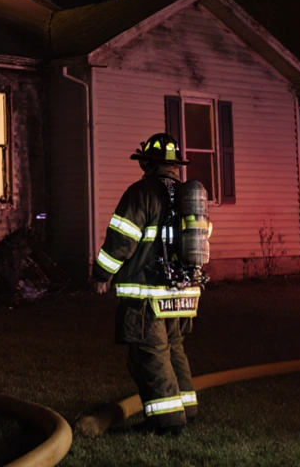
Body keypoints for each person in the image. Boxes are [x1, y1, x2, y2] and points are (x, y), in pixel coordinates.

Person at [90, 133, 201, 437]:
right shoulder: (186, 196)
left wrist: (101, 274)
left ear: (148, 163)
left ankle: (167, 422)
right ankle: (186, 409)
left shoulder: (141, 193)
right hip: (183, 293)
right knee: (174, 349)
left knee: (149, 355)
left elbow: (121, 239)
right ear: (175, 165)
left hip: (148, 293)